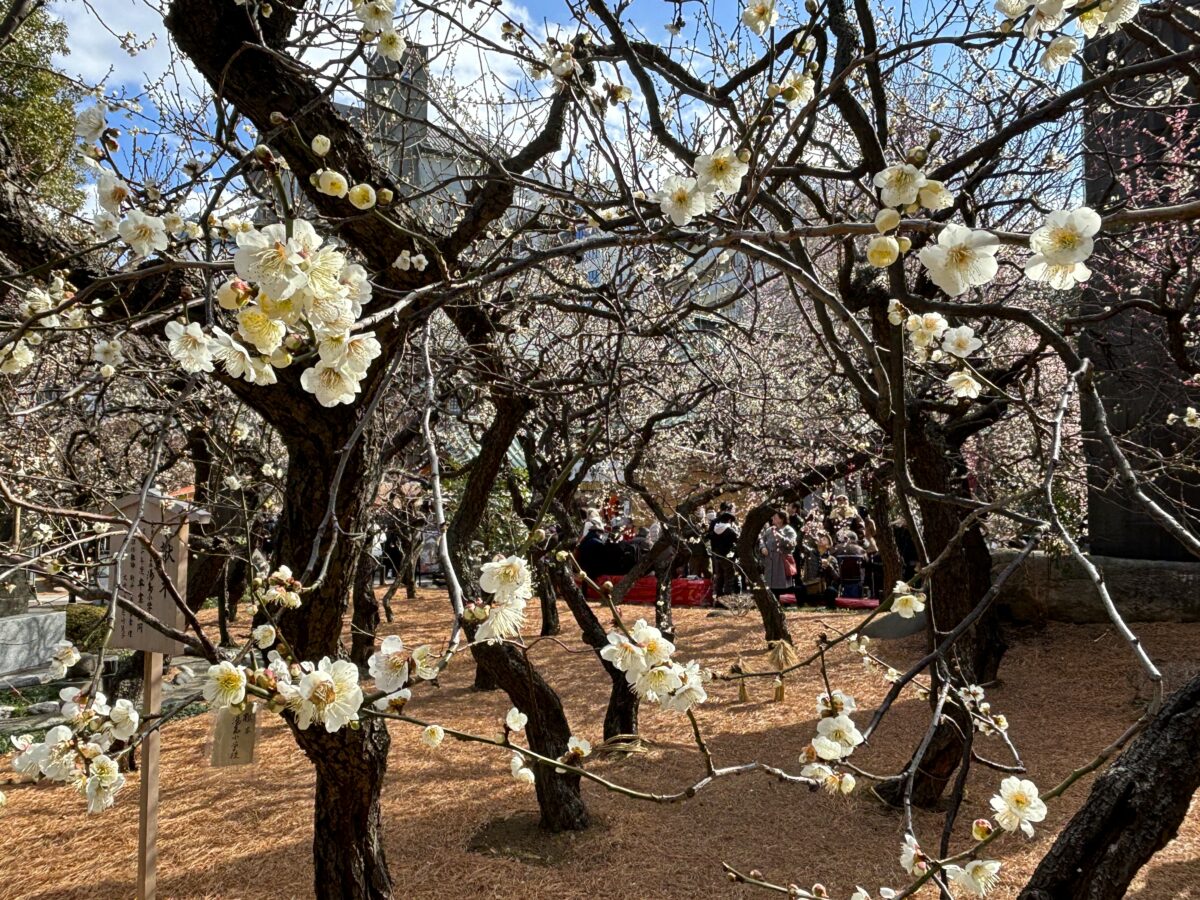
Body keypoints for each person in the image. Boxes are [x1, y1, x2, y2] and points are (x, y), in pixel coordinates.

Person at [758, 510, 798, 601]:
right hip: (769, 560)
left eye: (775, 517)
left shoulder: (789, 530)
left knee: (780, 584)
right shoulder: (769, 530)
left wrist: (781, 537)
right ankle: (772, 600)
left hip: (781, 561)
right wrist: (762, 548)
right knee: (770, 584)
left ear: (781, 519)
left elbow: (792, 544)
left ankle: (780, 602)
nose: (773, 518)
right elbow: (761, 540)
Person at [708, 504, 741, 596]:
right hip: (728, 556)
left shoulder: (715, 529)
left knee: (719, 577)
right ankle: (727, 598)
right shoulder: (730, 531)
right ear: (729, 520)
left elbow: (710, 538)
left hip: (717, 555)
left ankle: (719, 597)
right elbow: (738, 541)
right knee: (729, 578)